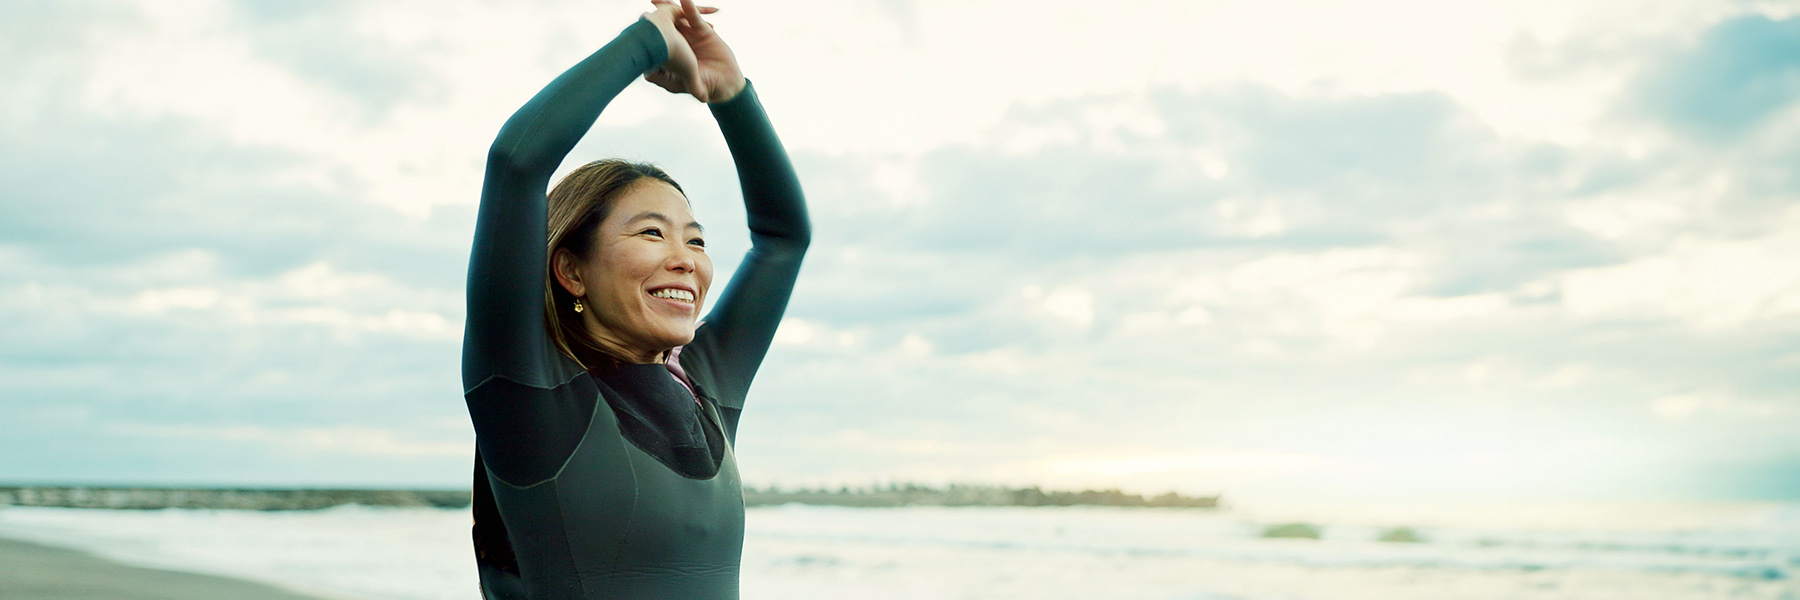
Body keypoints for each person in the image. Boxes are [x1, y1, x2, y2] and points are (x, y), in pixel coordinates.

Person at [460, 0, 809, 597]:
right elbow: (517, 163)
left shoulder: (706, 392)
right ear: (571, 269)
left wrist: (730, 93)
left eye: (695, 240)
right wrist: (648, 40)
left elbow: (783, 238)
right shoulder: (529, 397)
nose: (687, 260)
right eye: (652, 233)